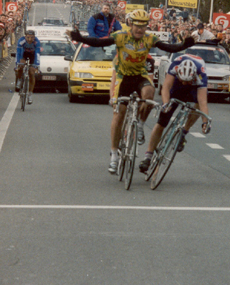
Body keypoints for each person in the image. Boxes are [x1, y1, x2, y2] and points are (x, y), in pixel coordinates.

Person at [68, 10, 195, 174]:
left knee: (150, 93)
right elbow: (99, 42)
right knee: (119, 113)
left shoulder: (149, 39)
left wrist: (186, 44)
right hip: (123, 78)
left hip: (140, 76)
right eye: (137, 25)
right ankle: (114, 154)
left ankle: (141, 124)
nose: (140, 29)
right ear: (130, 24)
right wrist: (79, 38)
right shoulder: (120, 36)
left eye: (143, 26)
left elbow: (170, 47)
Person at [138, 55, 209, 173]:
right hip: (176, 87)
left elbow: (203, 102)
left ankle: (184, 132)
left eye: (187, 81)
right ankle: (148, 156)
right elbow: (165, 88)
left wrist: (205, 122)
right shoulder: (175, 66)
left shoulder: (201, 74)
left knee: (197, 105)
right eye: (183, 80)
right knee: (161, 122)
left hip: (195, 87)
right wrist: (166, 105)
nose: (185, 83)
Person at [15, 30, 41, 105]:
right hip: (23, 54)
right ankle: (19, 79)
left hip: (32, 55)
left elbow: (37, 54)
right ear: (25, 36)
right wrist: (17, 63)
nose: (29, 39)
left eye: (32, 37)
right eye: (28, 37)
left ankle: (30, 94)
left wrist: (37, 65)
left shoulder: (36, 42)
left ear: (34, 37)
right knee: (21, 65)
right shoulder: (21, 40)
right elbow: (18, 52)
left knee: (32, 72)